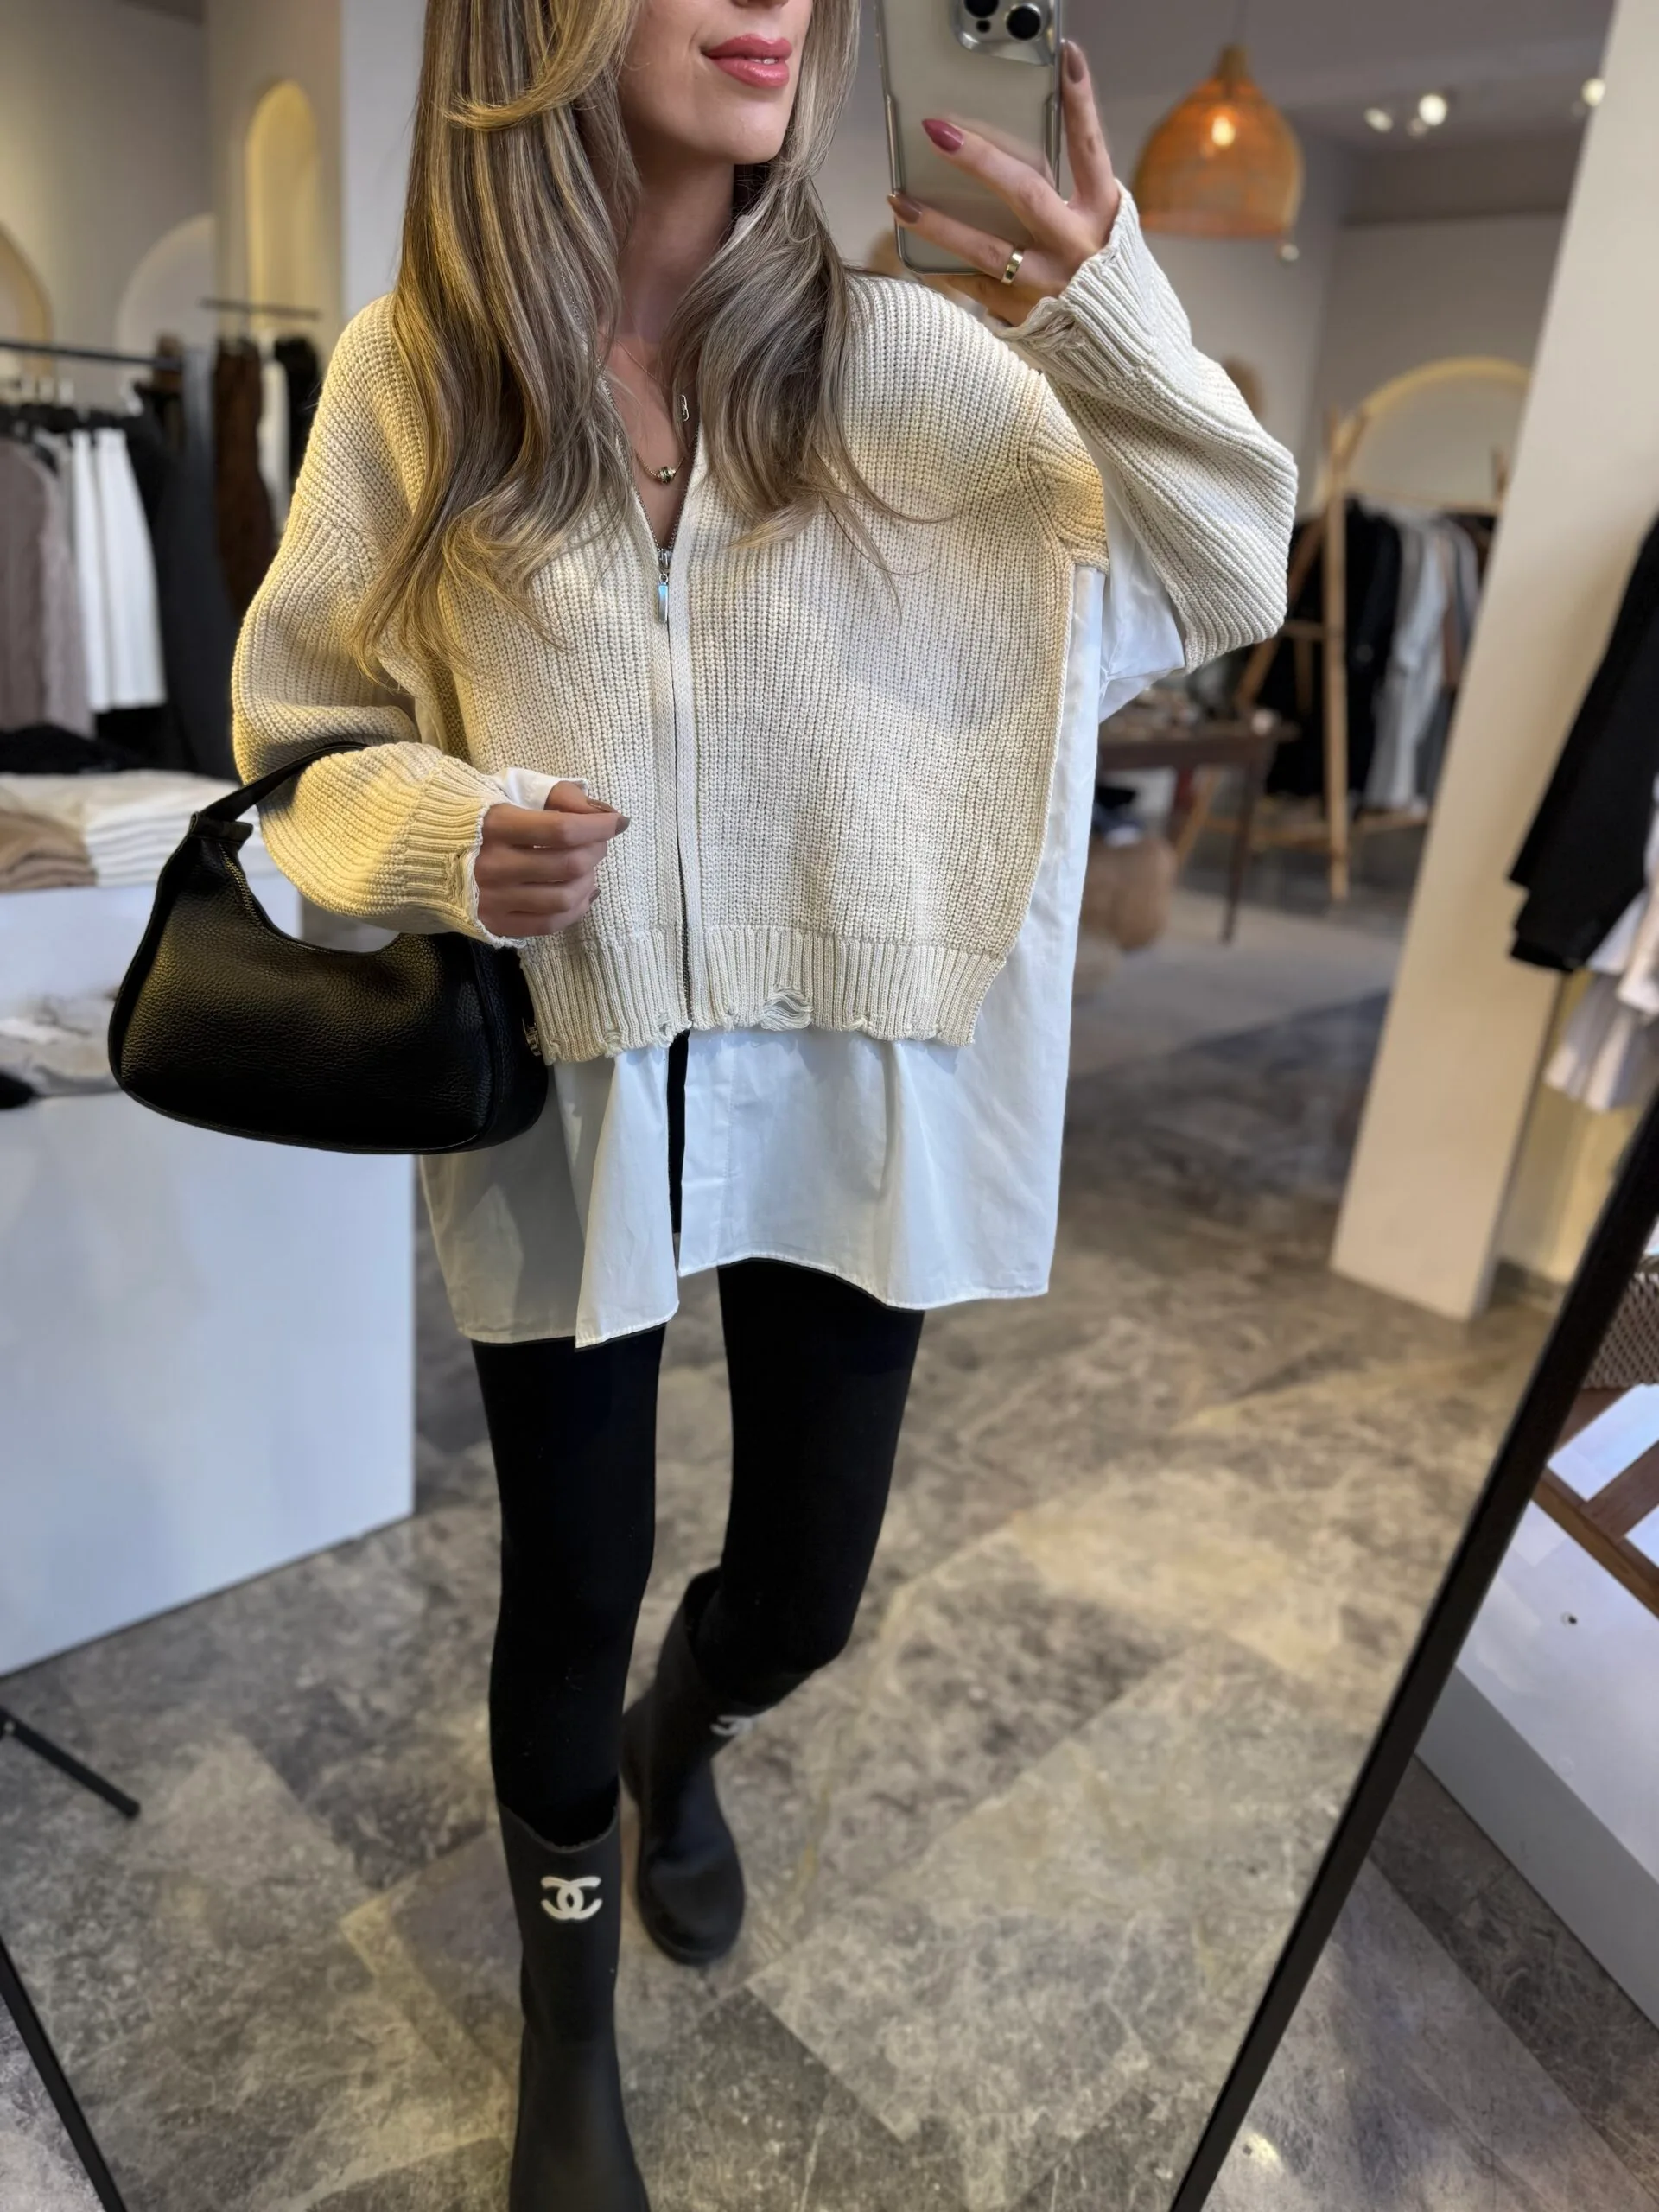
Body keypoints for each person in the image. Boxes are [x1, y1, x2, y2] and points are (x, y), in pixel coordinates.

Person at [231, 2, 1295, 2203]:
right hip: (579, 1075)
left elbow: (1221, 573)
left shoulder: (915, 366)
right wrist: (446, 832)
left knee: (803, 1588)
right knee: (570, 1576)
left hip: (854, 1060)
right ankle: (567, 2023)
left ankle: (688, 1729)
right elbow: (302, 738)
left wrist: (1106, 320)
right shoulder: (419, 375)